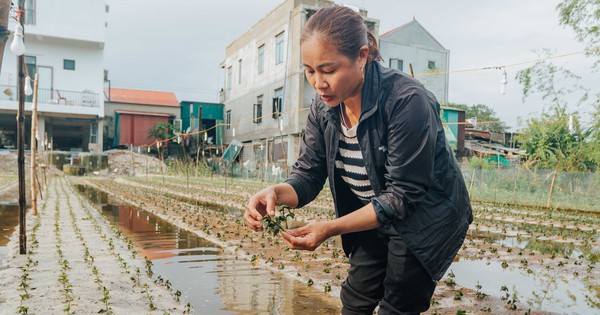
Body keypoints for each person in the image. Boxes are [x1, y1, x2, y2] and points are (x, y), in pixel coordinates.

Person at [244, 6, 472, 315]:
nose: (318, 82)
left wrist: (330, 227)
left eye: (328, 70)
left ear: (361, 56)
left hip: (422, 219)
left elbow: (402, 198)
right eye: (310, 70)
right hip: (371, 214)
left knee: (398, 306)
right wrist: (274, 193)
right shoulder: (323, 109)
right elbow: (308, 175)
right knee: (354, 302)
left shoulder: (406, 101)